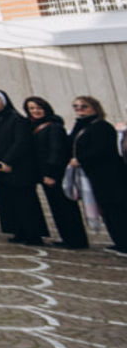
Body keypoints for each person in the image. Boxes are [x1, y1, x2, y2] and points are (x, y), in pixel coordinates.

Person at [0, 89, 46, 245]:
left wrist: (7, 162)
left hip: (17, 167)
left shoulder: (17, 119)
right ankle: (18, 231)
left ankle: (33, 234)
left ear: (3, 101)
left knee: (25, 202)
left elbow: (21, 142)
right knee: (7, 202)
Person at [24, 96, 86, 249]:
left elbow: (56, 151)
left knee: (65, 207)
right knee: (57, 207)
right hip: (45, 173)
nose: (35, 111)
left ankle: (75, 240)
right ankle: (68, 237)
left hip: (54, 174)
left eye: (38, 108)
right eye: (31, 108)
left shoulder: (54, 126)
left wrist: (50, 174)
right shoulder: (34, 125)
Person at [69, 96, 126, 254]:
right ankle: (119, 241)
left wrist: (80, 159)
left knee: (117, 210)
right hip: (95, 175)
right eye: (76, 106)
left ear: (95, 108)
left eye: (84, 106)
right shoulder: (83, 125)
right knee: (106, 209)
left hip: (110, 176)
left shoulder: (102, 126)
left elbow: (102, 150)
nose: (79, 109)